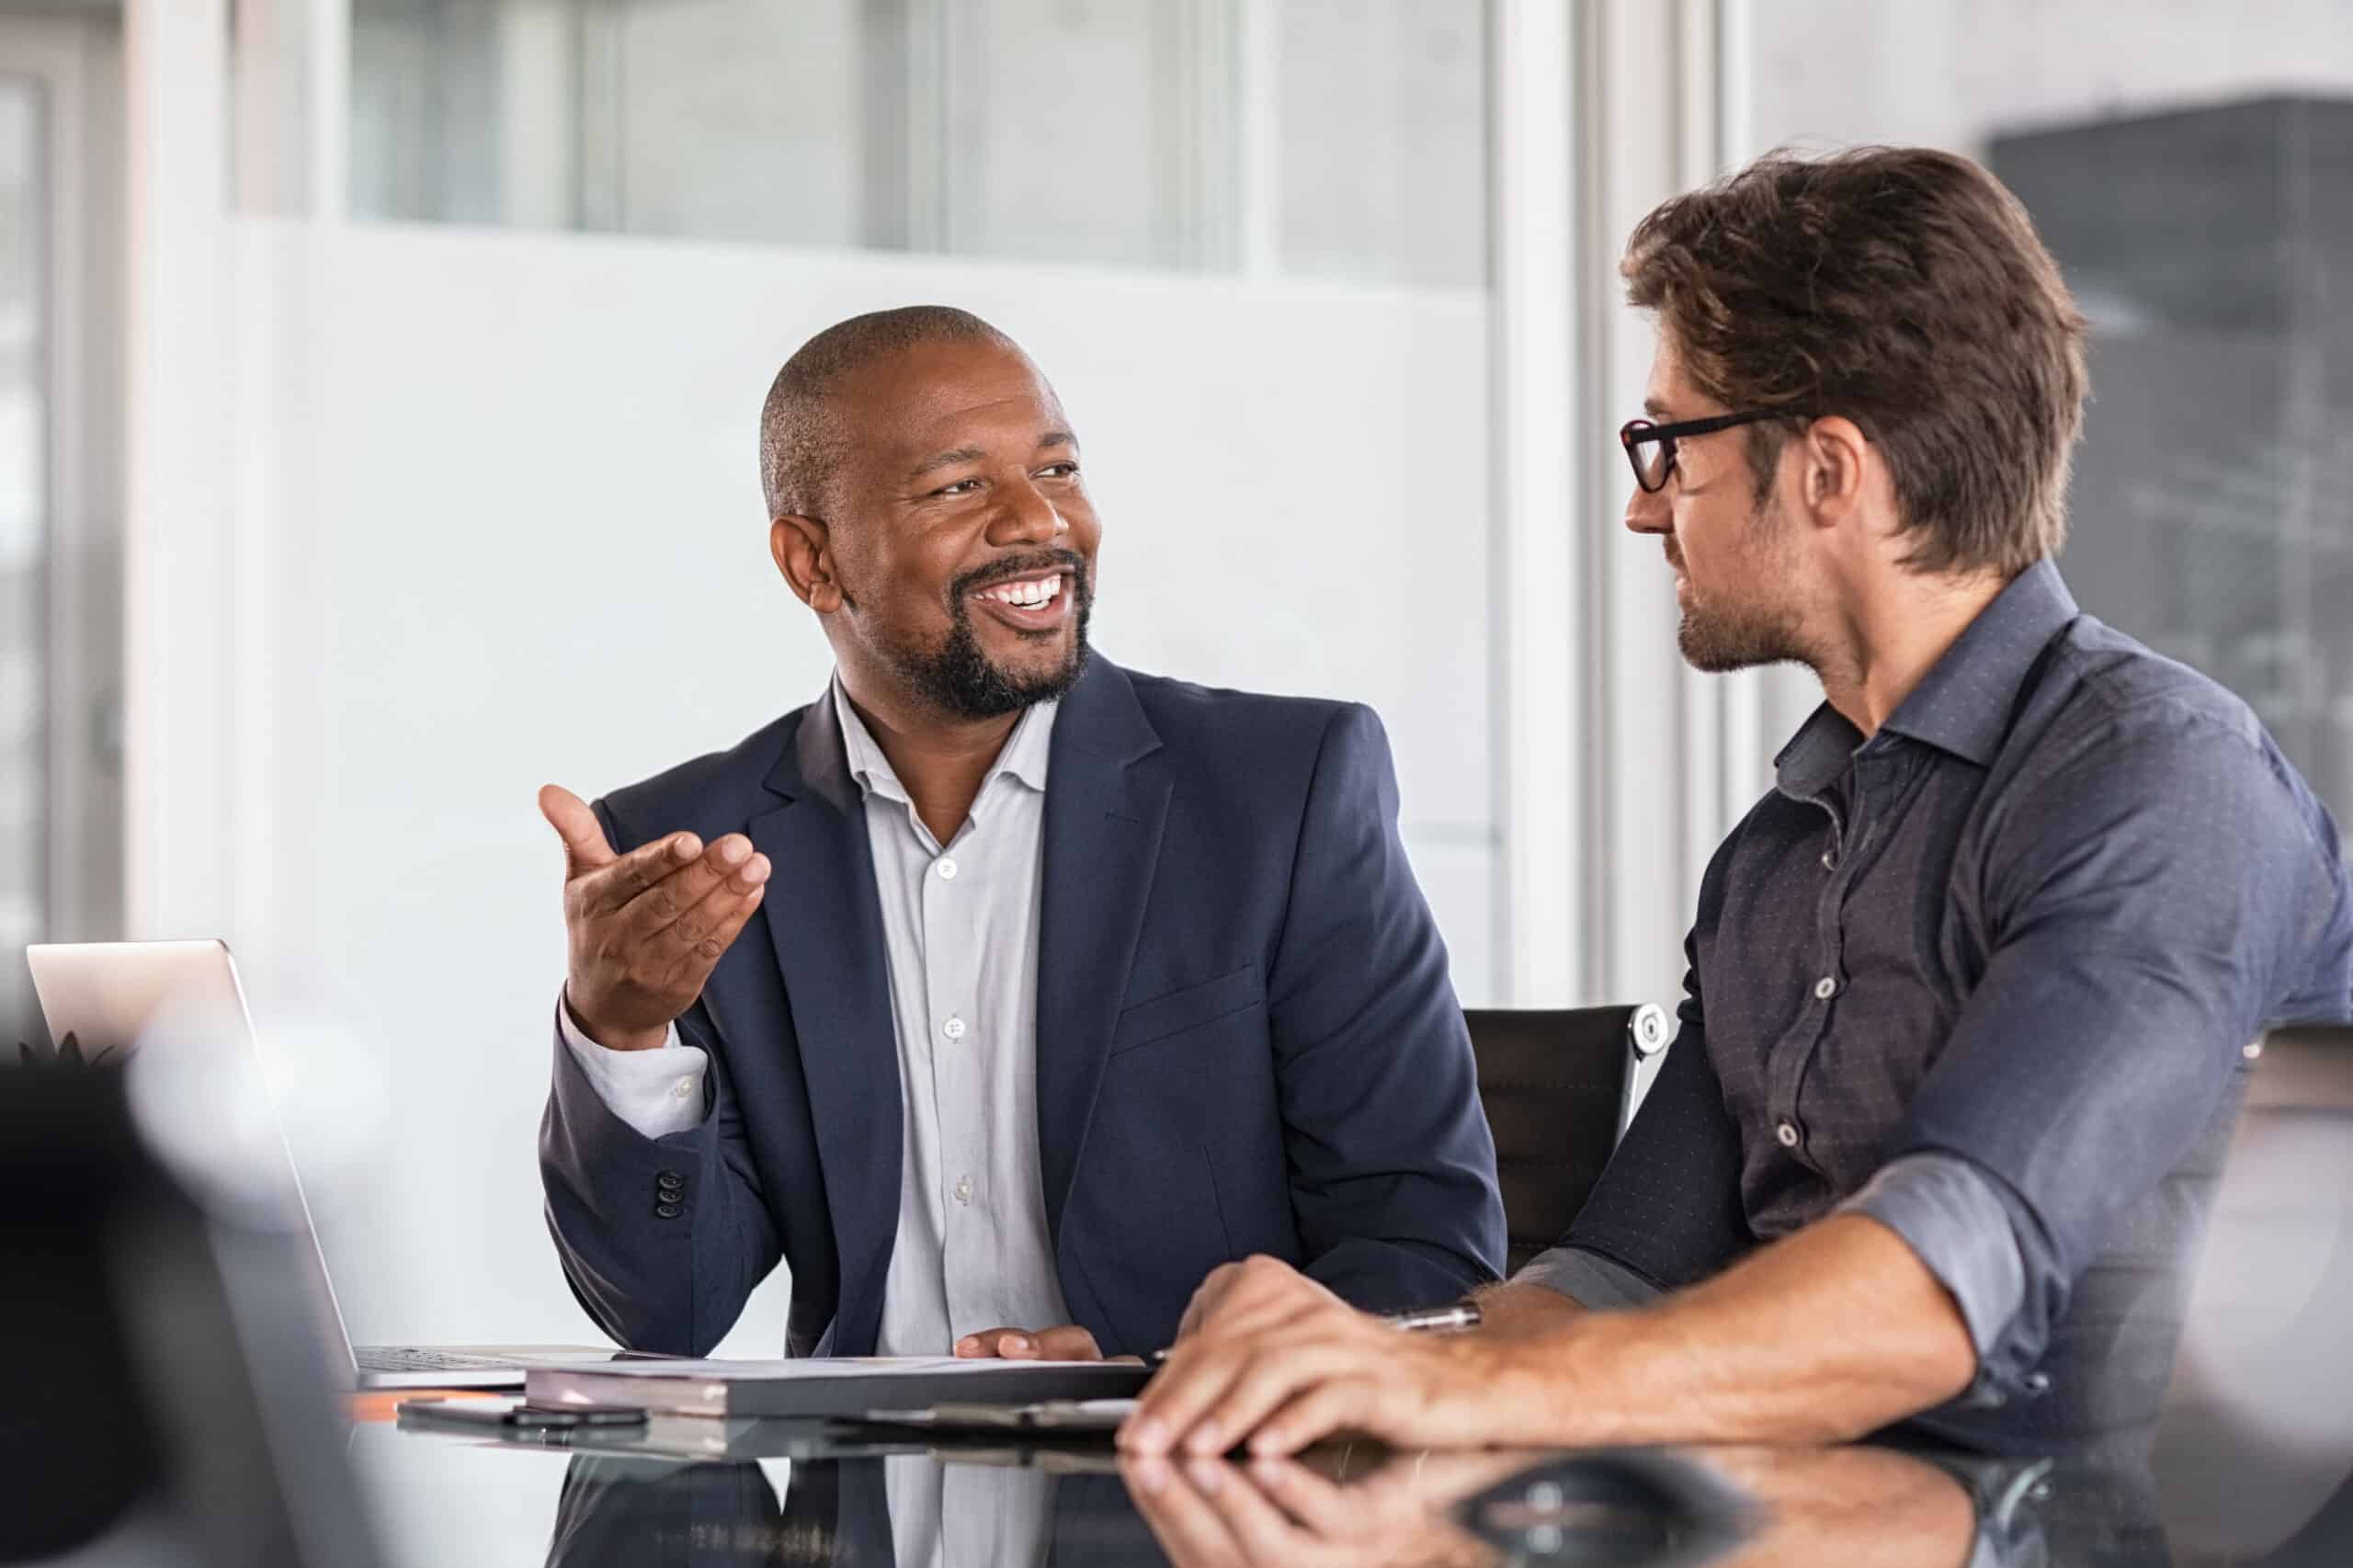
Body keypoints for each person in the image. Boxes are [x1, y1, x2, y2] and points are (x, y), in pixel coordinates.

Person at [1123, 146, 2353, 1457]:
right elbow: (1606, 1285)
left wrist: (1460, 1394)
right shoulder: (1775, 858)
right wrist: (1335, 1358)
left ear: (1829, 470)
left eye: (1671, 444)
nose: (1649, 509)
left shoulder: (2158, 783)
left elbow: (1943, 1281)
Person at [536, 306, 1504, 1362]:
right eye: (958, 486)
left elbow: (1423, 1248)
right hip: (862, 1508)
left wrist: (1164, 1376)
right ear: (811, 562)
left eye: (1057, 469)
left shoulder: (1281, 793)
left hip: (1186, 1490)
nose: (1036, 521)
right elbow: (666, 1313)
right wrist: (619, 1032)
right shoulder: (692, 850)